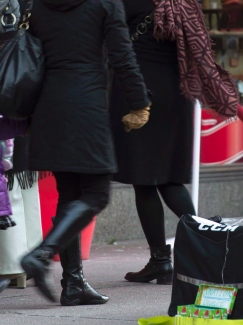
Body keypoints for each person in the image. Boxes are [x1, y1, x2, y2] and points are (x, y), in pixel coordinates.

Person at [19, 0, 151, 305]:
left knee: (70, 193)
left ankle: (74, 284)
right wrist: (139, 100)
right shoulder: (104, 3)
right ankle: (40, 255)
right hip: (86, 104)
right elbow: (122, 55)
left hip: (47, 106)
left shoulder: (39, 4)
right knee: (96, 194)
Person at [109, 0, 201, 285]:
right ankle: (205, 247)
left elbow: (113, 41)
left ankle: (162, 260)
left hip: (141, 91)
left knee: (146, 178)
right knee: (168, 177)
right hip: (178, 90)